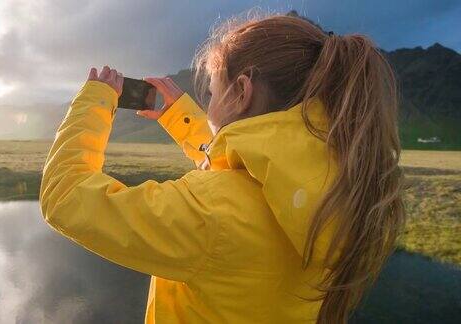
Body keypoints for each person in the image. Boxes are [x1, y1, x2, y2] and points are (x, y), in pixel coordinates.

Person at [39, 12, 405, 324]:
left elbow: (65, 197)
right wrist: (180, 117)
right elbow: (257, 161)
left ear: (242, 92)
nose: (208, 103)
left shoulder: (210, 211)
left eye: (212, 93)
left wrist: (95, 99)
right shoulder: (337, 181)